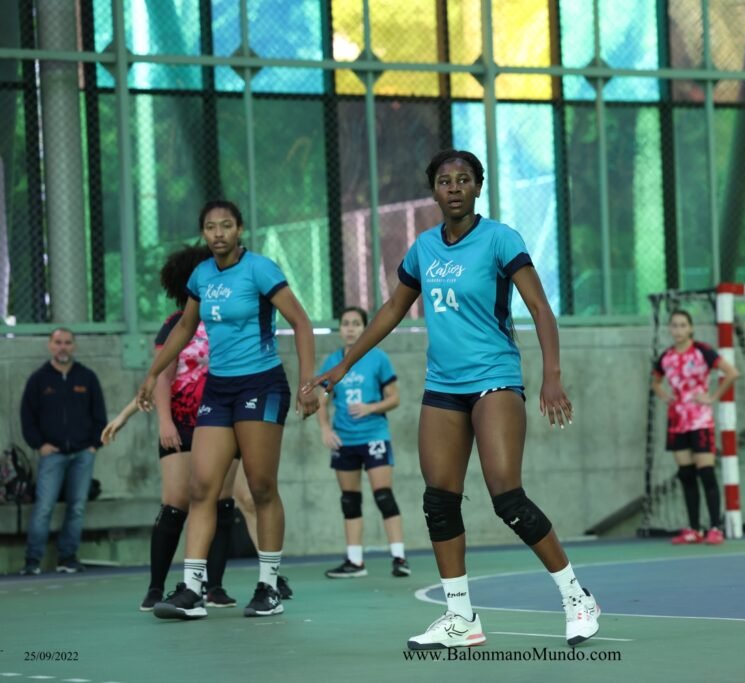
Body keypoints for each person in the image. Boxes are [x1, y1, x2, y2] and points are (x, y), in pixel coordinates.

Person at [306, 149, 600, 650]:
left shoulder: (501, 239)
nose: (455, 187)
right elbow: (391, 310)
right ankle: (461, 618)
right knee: (439, 501)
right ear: (434, 191)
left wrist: (552, 376)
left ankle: (577, 597)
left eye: (464, 179)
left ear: (478, 187)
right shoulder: (423, 247)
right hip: (443, 386)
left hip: (494, 378)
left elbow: (539, 308)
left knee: (507, 496)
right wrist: (344, 364)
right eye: (445, 181)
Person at [136, 199, 319, 620]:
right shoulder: (201, 275)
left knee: (261, 486)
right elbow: (185, 327)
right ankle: (192, 589)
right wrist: (153, 373)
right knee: (202, 487)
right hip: (218, 390)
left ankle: (268, 587)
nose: (218, 233)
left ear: (239, 230)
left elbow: (301, 322)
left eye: (226, 225)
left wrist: (309, 382)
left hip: (261, 383)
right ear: (203, 233)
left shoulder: (260, 269)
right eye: (210, 227)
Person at [101, 244, 292, 611]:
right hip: (184, 422)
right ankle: (159, 587)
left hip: (226, 417)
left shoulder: (229, 323)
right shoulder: (178, 324)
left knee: (233, 498)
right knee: (179, 502)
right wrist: (142, 417)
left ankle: (219, 585)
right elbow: (160, 376)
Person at [317, 306, 410, 579]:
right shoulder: (332, 362)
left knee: (383, 496)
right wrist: (325, 428)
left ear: (365, 328)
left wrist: (371, 408)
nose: (350, 328)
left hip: (374, 436)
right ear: (340, 329)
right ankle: (355, 561)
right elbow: (321, 399)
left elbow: (395, 398)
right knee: (349, 500)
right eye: (345, 323)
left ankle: (399, 558)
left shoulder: (378, 358)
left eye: (356, 323)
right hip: (345, 440)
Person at [19, 328, 107, 575]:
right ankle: (32, 561)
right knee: (44, 507)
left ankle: (67, 558)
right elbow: (27, 417)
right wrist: (40, 445)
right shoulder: (39, 379)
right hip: (52, 455)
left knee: (77, 506)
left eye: (67, 342)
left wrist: (94, 445)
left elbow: (100, 415)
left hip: (83, 454)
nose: (63, 347)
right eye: (58, 342)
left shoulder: (87, 377)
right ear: (50, 345)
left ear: (74, 346)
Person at [650, 309, 740, 545]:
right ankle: (693, 528)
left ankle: (715, 527)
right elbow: (655, 381)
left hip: (700, 421)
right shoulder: (666, 357)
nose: (678, 330)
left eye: (683, 325)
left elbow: (732, 373)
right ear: (670, 329)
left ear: (690, 328)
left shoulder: (703, 351)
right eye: (674, 325)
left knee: (706, 473)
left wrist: (713, 397)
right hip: (677, 423)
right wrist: (664, 395)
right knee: (686, 476)